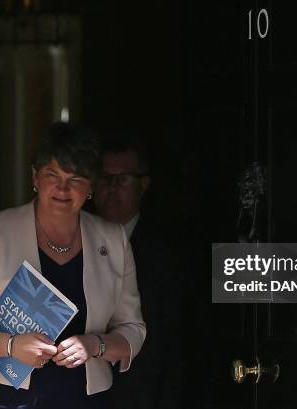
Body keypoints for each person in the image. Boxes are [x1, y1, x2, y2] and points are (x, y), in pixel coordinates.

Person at [0, 122, 146, 409]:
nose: (63, 188)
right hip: (1, 398)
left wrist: (94, 345)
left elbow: (133, 330)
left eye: (76, 179)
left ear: (90, 186)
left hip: (84, 400)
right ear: (35, 177)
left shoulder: (114, 240)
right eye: (53, 174)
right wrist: (11, 345)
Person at [93, 134, 183, 409]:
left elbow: (177, 344)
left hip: (142, 395)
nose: (111, 188)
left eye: (122, 180)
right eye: (104, 178)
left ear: (143, 185)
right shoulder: (72, 238)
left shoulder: (168, 254)